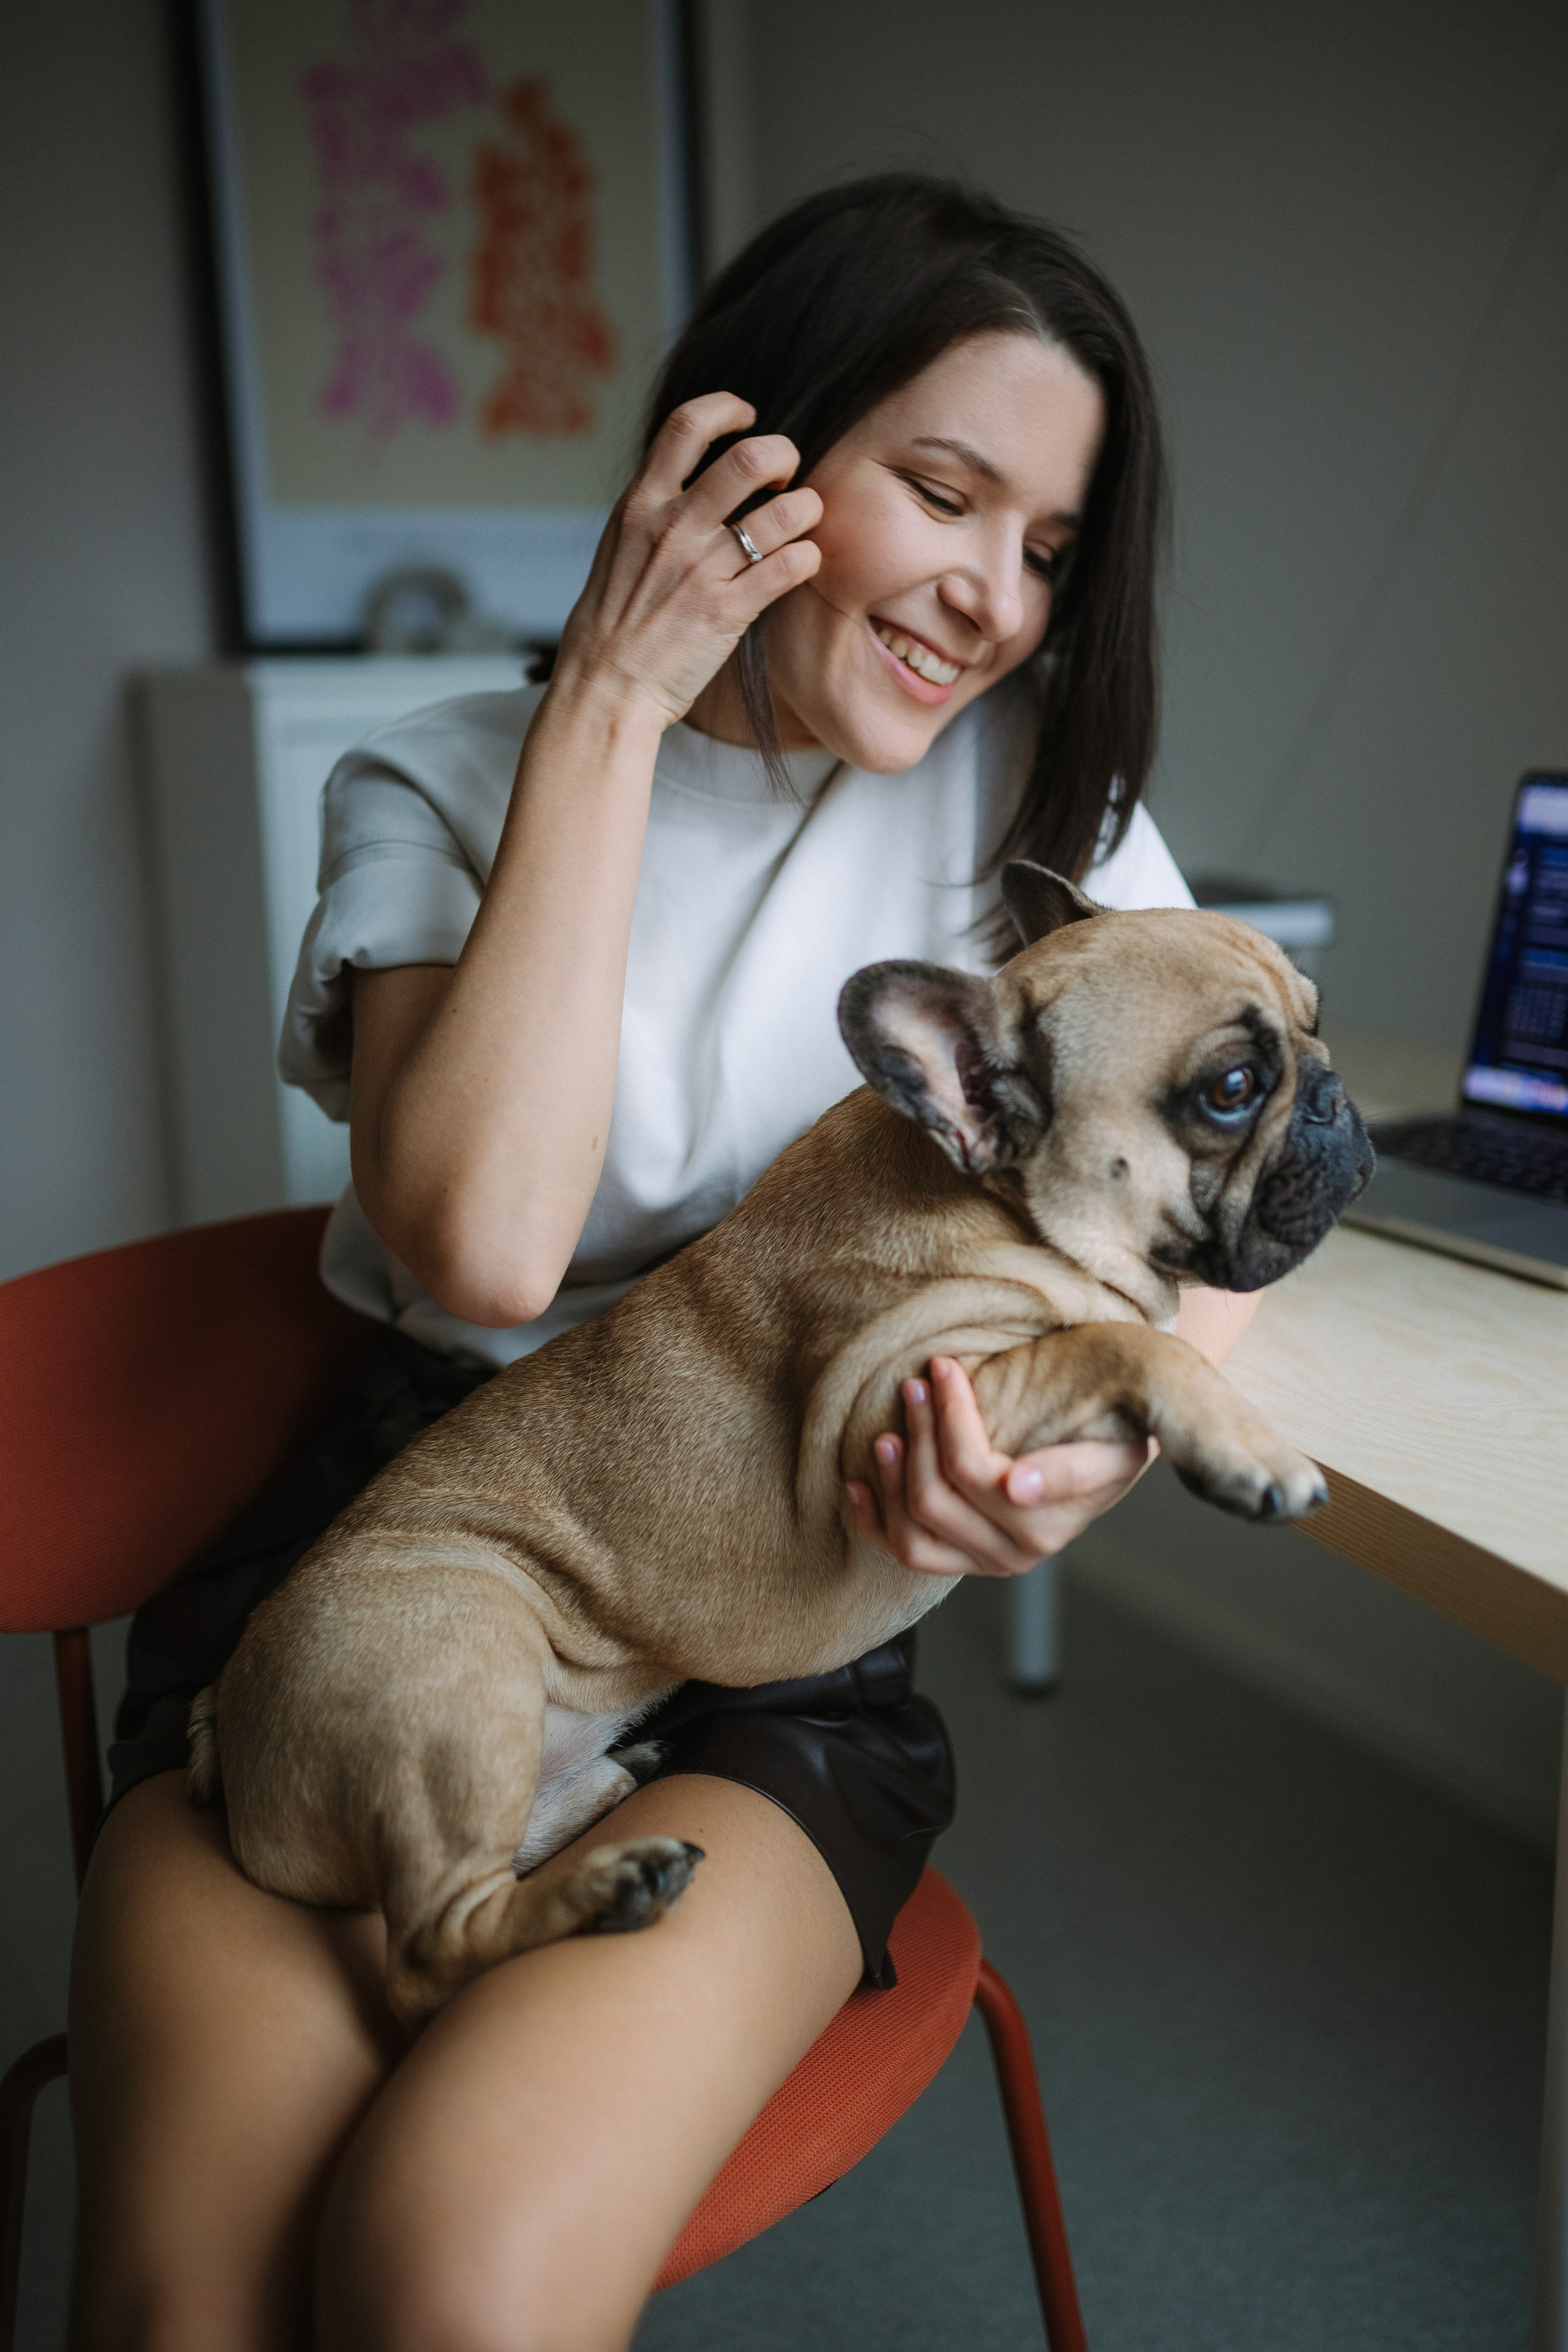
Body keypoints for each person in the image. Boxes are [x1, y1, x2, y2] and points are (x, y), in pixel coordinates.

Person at [69, 175, 1257, 2350]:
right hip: (394, 1586)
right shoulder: (433, 785)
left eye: (1053, 550)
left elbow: (1223, 1231)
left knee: (454, 2280)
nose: (998, 599)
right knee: (192, 2304)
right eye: (947, 493)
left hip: (775, 1658)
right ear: (752, 453)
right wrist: (610, 706)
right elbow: (492, 1249)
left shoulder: (1042, 834)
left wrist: (1060, 1483)